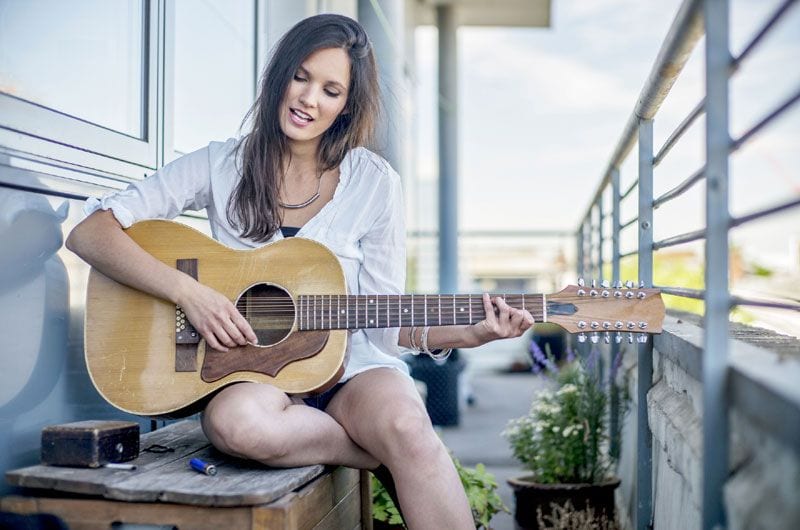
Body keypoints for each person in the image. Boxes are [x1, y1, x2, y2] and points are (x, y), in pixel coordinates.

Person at [67, 14, 534, 529]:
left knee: (407, 426)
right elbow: (89, 232)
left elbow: (383, 322)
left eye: (331, 90)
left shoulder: (373, 183)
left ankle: (383, 440)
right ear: (280, 75)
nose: (310, 99)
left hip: (353, 370)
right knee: (235, 424)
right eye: (302, 77)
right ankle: (368, 451)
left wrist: (468, 334)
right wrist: (189, 293)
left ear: (346, 106)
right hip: (259, 373)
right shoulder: (220, 164)